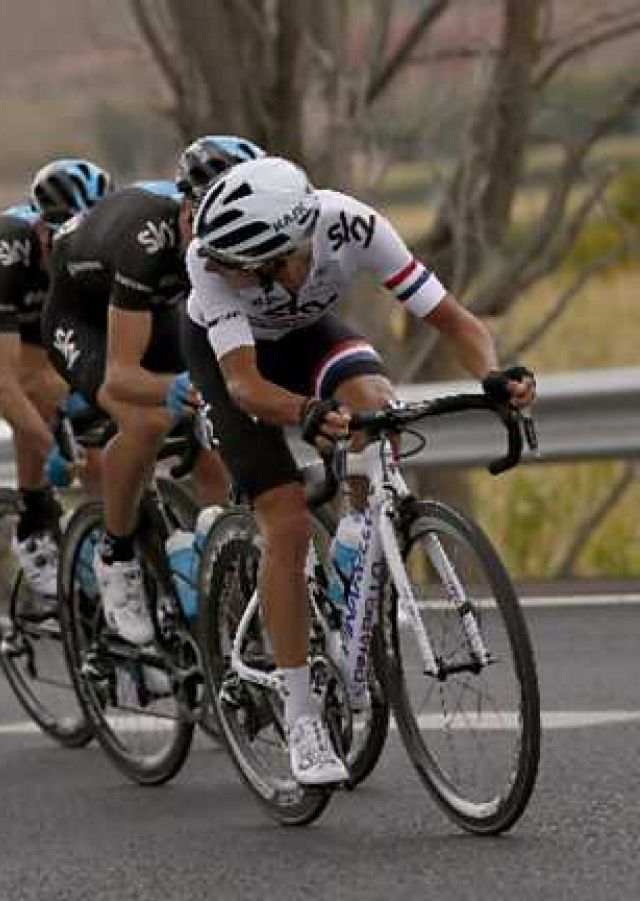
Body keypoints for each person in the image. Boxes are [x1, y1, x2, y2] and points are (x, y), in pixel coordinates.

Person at [183, 156, 536, 785]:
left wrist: (491, 373)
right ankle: (300, 716)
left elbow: (453, 319)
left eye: (236, 266)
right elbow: (245, 385)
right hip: (236, 370)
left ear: (286, 253)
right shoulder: (205, 273)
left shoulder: (353, 225)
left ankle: (357, 540)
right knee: (286, 525)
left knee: (376, 405)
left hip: (309, 334)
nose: (218, 271)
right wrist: (306, 411)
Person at [42, 137, 259, 643]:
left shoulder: (235, 244)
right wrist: (174, 385)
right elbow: (121, 375)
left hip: (152, 305)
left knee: (216, 427)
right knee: (147, 419)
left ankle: (220, 554)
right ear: (188, 213)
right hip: (81, 315)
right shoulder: (148, 241)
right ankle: (115, 554)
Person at [0, 158, 111, 610]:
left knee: (85, 398)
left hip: (36, 326)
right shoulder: (4, 252)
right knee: (35, 384)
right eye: (65, 240)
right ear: (42, 232)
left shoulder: (98, 256)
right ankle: (33, 526)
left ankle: (108, 526)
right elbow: (5, 383)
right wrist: (50, 446)